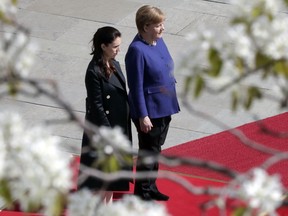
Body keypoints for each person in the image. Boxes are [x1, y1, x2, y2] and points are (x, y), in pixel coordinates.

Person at [125, 5, 180, 201]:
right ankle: (142, 192)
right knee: (148, 152)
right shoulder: (136, 51)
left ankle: (151, 186)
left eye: (162, 24)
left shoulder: (157, 41)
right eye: (158, 25)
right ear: (146, 26)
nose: (162, 28)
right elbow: (136, 86)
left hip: (164, 105)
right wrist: (143, 115)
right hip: (150, 111)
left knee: (155, 150)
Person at [78, 26, 132, 204]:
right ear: (103, 46)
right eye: (115, 46)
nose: (119, 49)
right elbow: (97, 106)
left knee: (111, 179)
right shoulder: (93, 71)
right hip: (104, 132)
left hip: (118, 125)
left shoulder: (114, 63)